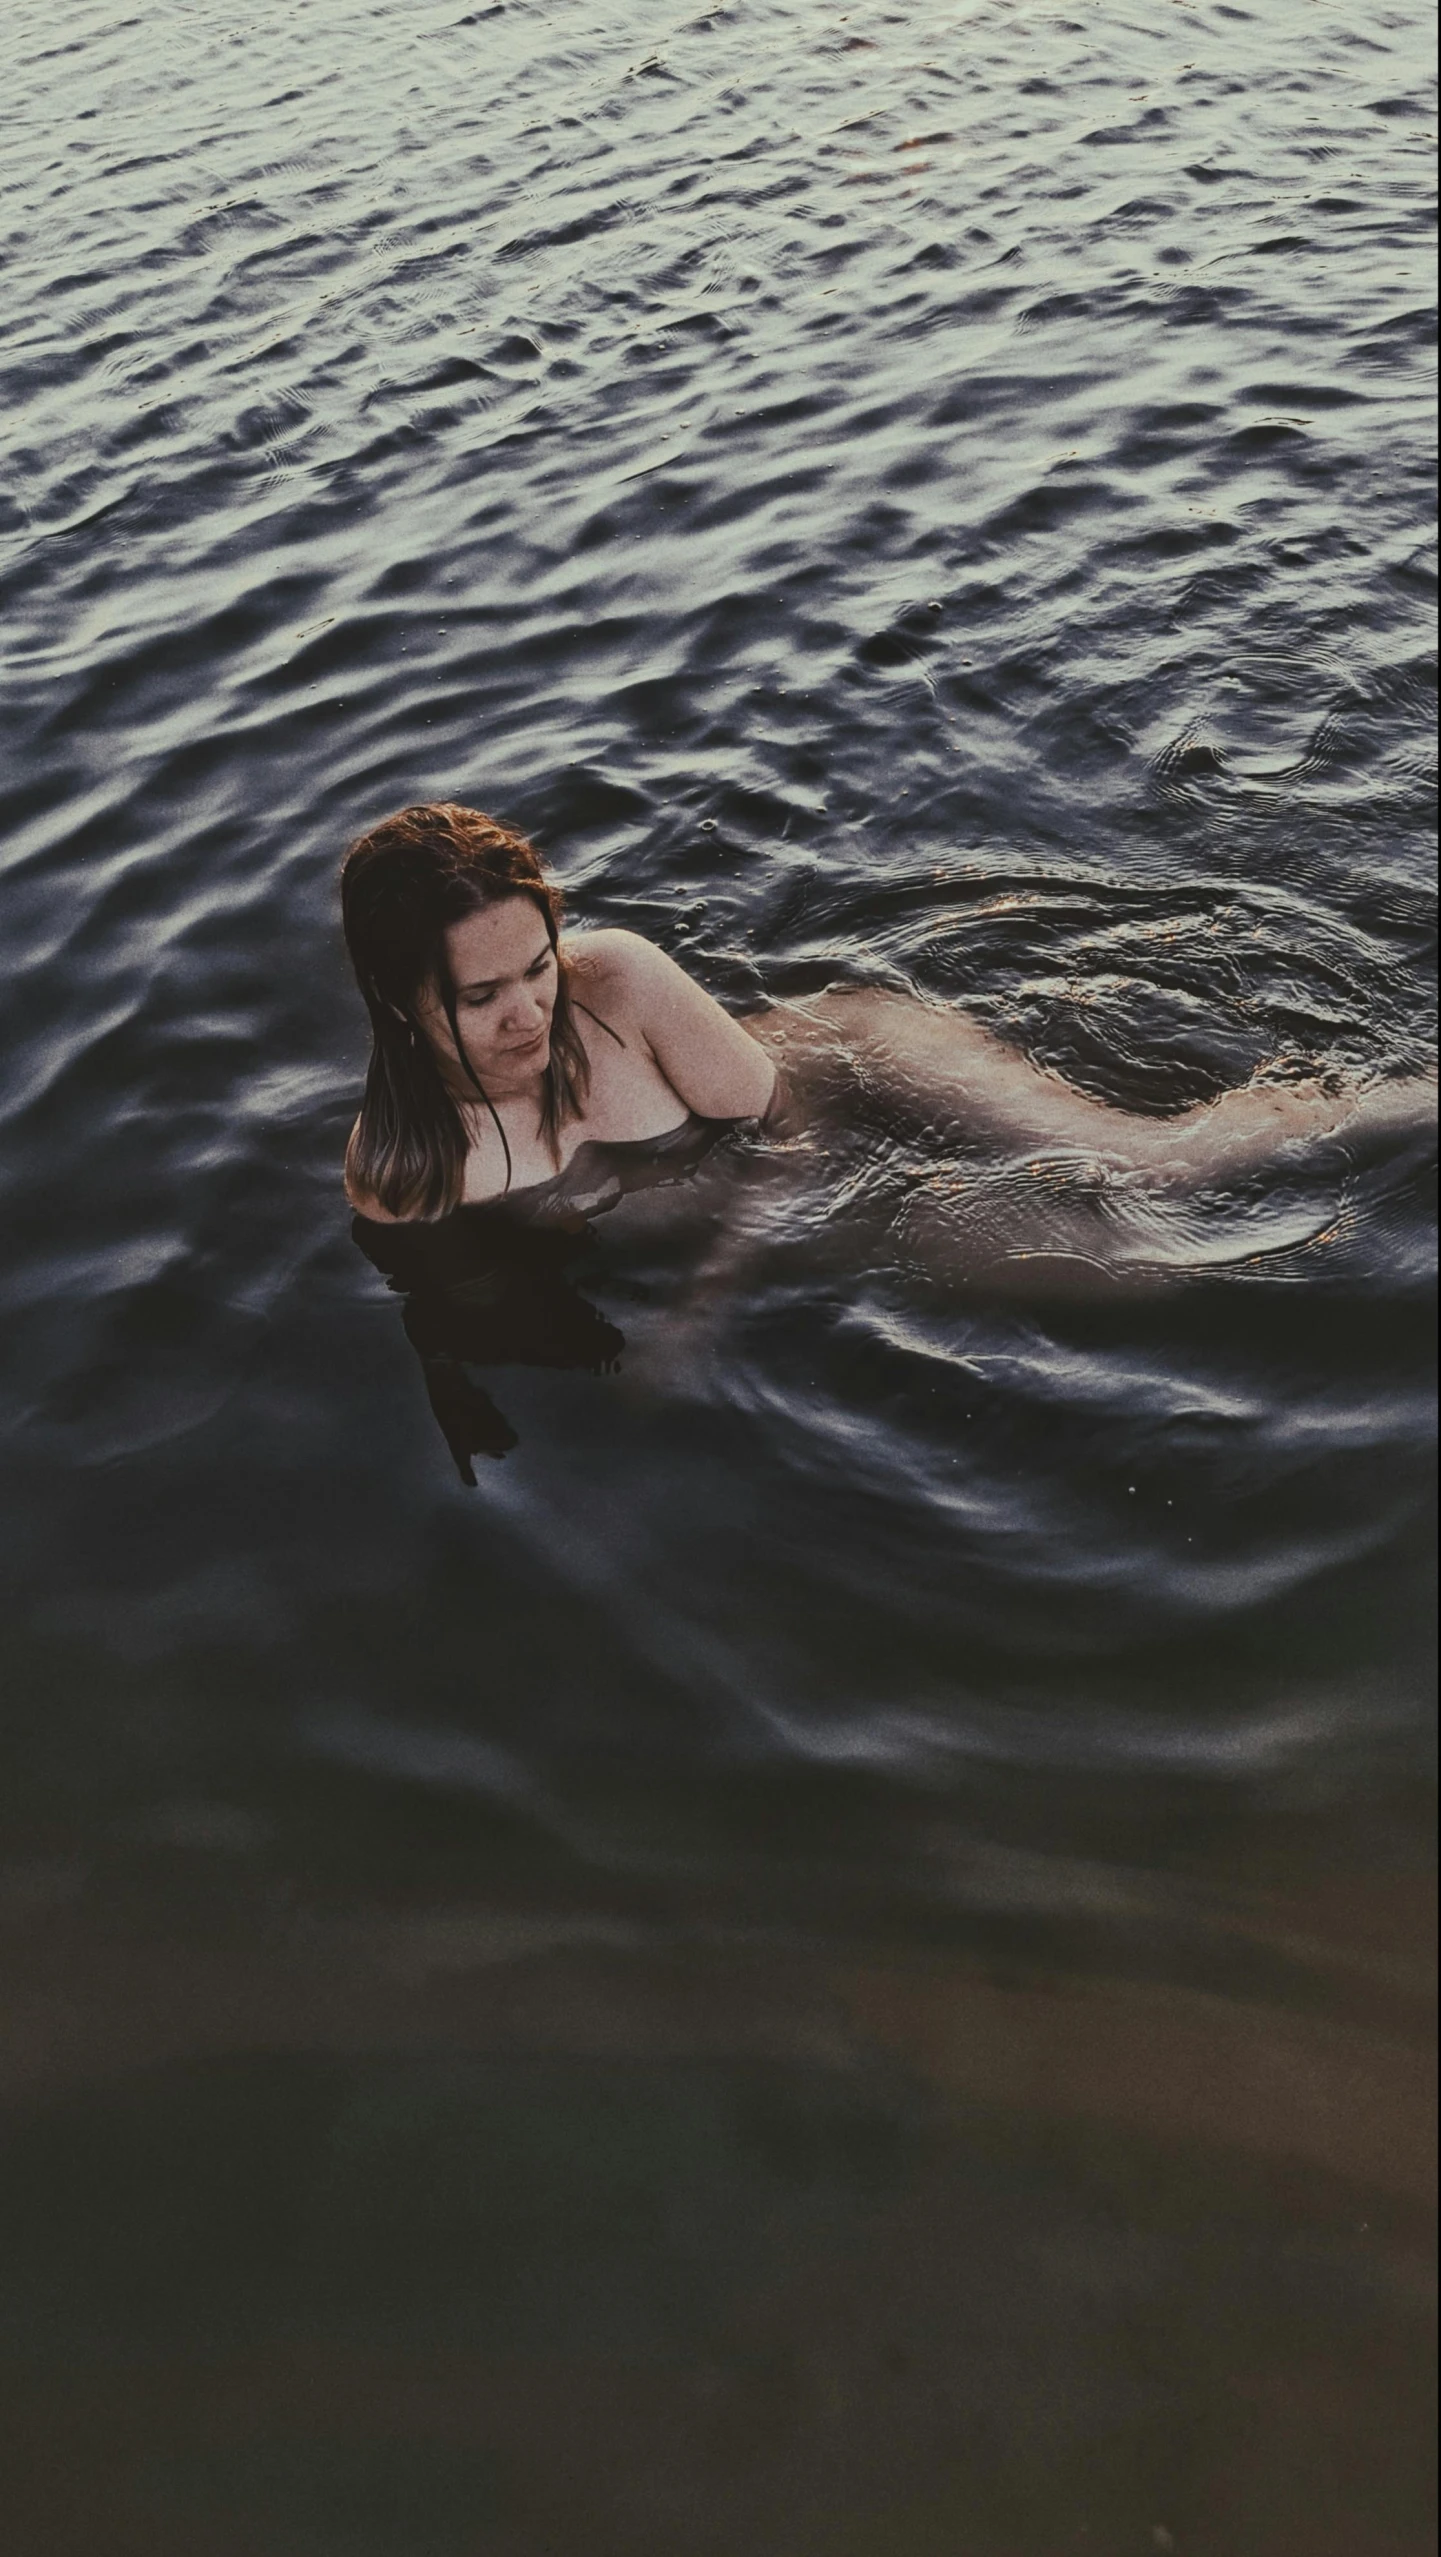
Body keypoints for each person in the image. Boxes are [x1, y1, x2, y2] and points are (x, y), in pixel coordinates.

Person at [340, 800, 1431, 1229]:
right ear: (398, 998)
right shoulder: (409, 1174)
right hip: (826, 1214)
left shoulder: (613, 976)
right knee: (1140, 1263)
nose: (531, 1008)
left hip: (850, 1075)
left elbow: (790, 1132)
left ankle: (1409, 1101)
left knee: (1158, 1170)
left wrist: (694, 1317)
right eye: (480, 996)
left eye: (536, 966)